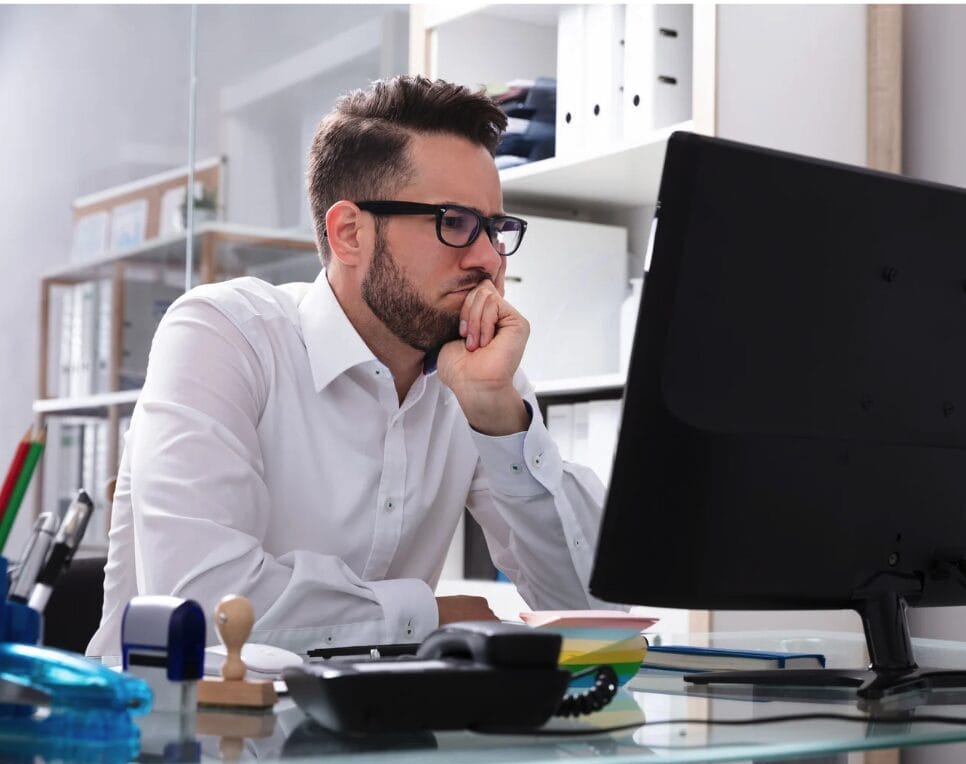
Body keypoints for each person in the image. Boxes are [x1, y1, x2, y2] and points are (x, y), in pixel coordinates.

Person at [87, 76, 619, 657]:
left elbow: (597, 615)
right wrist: (425, 616)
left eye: (496, 228)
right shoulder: (223, 334)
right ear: (349, 233)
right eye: (455, 222)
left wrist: (503, 423)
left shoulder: (478, 379)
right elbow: (204, 607)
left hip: (378, 735)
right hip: (182, 738)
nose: (490, 258)